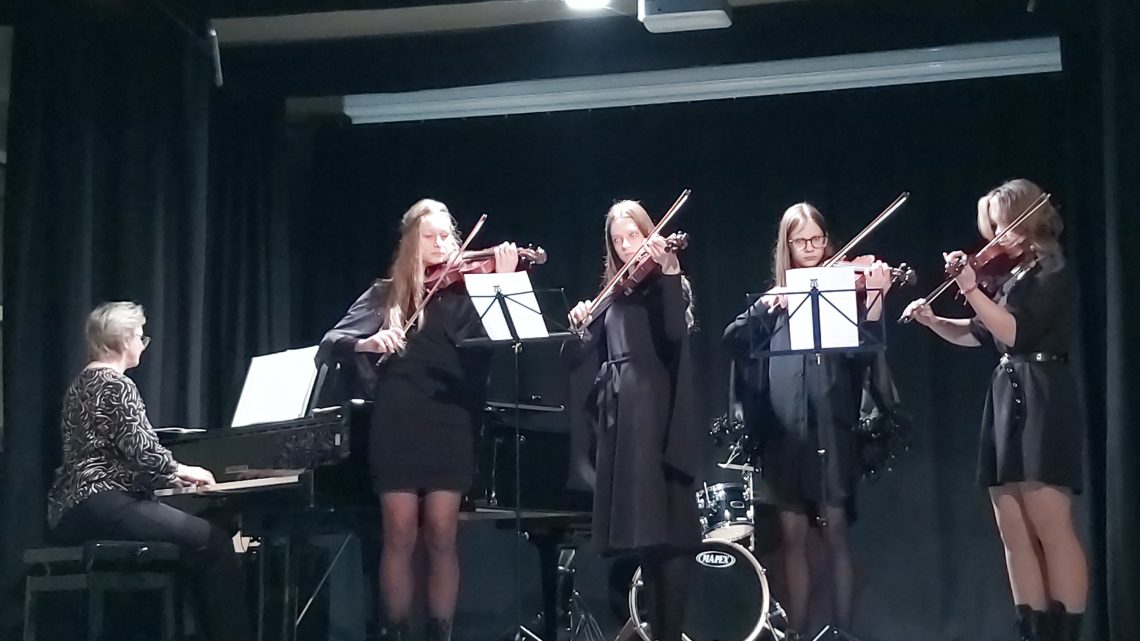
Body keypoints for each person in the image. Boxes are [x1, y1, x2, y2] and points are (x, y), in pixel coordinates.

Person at [317, 198, 518, 641]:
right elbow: (331, 341)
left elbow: (495, 345)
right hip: (398, 419)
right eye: (430, 237)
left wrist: (500, 282)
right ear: (411, 242)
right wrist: (368, 343)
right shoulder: (385, 293)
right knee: (399, 534)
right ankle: (396, 632)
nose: (441, 244)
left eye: (447, 236)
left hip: (451, 419)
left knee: (443, 535)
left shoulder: (469, 292)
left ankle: (440, 635)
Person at [901, 179, 1086, 641]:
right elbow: (979, 334)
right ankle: (1033, 630)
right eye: (994, 229)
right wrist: (933, 320)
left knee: (1050, 525)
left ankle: (1066, 633)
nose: (997, 238)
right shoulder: (1009, 278)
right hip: (1007, 391)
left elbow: (1015, 332)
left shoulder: (1052, 272)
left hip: (1042, 390)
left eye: (1003, 226)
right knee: (1013, 526)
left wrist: (971, 288)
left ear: (1029, 219)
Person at [722, 203, 895, 640]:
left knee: (836, 535)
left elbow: (864, 356)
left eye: (817, 239)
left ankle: (842, 632)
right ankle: (798, 632)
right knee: (793, 536)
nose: (811, 248)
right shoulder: (777, 303)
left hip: (832, 429)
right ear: (787, 246)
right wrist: (768, 306)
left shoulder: (841, 295)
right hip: (787, 433)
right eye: (801, 241)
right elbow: (732, 339)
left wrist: (875, 301)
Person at [46, 301, 253, 641]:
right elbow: (144, 453)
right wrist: (183, 471)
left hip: (70, 509)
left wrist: (170, 478)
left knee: (196, 539)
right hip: (104, 502)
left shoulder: (80, 384)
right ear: (123, 339)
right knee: (214, 541)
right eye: (140, 337)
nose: (143, 344)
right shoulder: (116, 384)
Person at [564, 200, 702, 641]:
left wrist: (670, 270)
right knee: (647, 537)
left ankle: (670, 633)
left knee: (671, 534)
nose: (626, 247)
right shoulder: (614, 293)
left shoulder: (665, 283)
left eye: (633, 236)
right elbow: (575, 358)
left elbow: (676, 335)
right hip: (623, 416)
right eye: (618, 241)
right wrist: (581, 322)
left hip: (658, 410)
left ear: (648, 233)